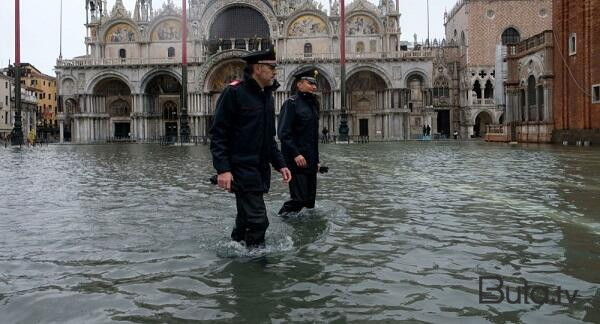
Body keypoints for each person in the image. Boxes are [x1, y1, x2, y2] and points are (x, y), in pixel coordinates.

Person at [209, 48, 292, 249]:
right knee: (258, 221)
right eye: (271, 67)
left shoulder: (267, 97)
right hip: (241, 168)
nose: (275, 72)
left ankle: (235, 249)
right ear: (257, 68)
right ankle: (257, 267)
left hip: (259, 169)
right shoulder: (234, 92)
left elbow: (268, 138)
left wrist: (281, 164)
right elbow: (218, 133)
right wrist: (223, 169)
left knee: (246, 219)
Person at [277, 70, 321, 215]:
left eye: (315, 84)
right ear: (299, 84)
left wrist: (317, 160)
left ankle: (306, 230)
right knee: (299, 199)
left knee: (309, 201)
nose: (314, 87)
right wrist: (296, 154)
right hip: (296, 161)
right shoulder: (291, 104)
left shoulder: (313, 105)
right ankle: (282, 217)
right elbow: (284, 133)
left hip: (310, 160)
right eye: (310, 83)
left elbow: (313, 137)